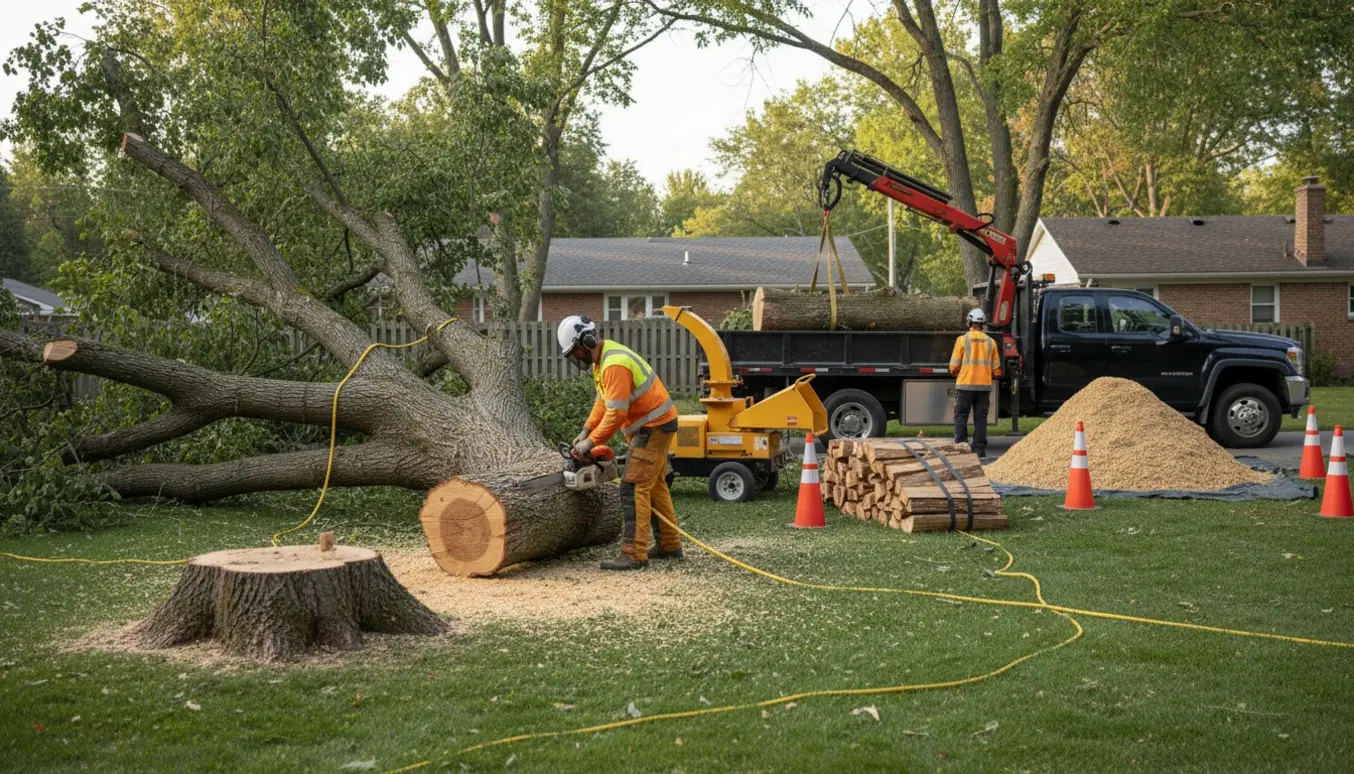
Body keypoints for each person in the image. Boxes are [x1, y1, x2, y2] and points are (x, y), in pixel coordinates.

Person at [557, 315, 682, 571]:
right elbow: (603, 402)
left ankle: (634, 554)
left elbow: (616, 414)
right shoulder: (602, 361)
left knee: (633, 486)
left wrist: (589, 444)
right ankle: (670, 546)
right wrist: (586, 430)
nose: (577, 357)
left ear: (588, 341)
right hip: (656, 425)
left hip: (653, 427)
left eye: (577, 351)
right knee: (654, 486)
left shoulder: (613, 364)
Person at [949, 307, 1002, 458]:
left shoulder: (962, 340)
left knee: (961, 416)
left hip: (965, 385)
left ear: (969, 322)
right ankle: (979, 450)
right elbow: (997, 370)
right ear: (983, 324)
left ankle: (961, 447)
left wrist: (956, 372)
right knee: (980, 418)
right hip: (984, 387)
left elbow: (953, 366)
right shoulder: (991, 342)